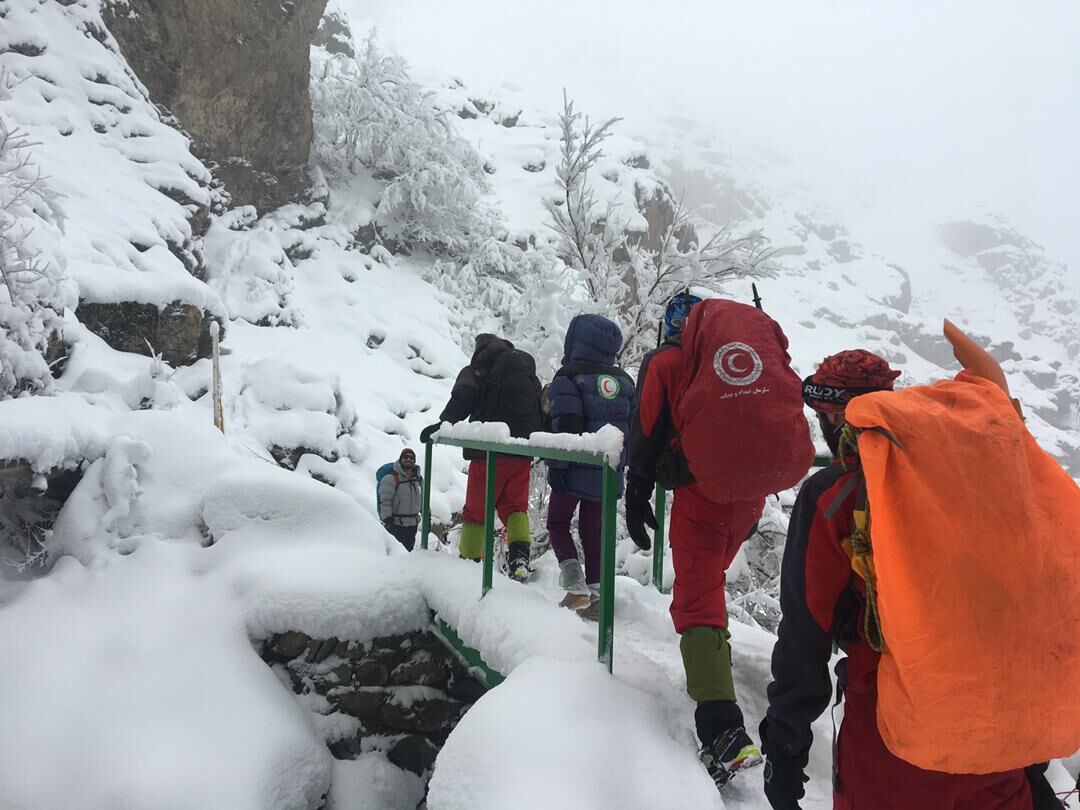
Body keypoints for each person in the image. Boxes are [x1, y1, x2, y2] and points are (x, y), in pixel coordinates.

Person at [759, 349, 1059, 810]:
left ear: (835, 415)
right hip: (996, 726)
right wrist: (1028, 762)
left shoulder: (836, 494)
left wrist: (785, 745)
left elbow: (806, 631)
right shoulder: (969, 479)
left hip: (894, 729)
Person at [625, 292, 813, 790]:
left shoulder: (667, 361)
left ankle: (721, 729)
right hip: (750, 497)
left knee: (697, 597)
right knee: (710, 584)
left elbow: (644, 429)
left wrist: (637, 488)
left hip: (701, 493)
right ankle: (716, 660)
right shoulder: (734, 363)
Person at [420, 333, 543, 581]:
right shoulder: (526, 371)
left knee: (476, 512)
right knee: (514, 508)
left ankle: (470, 565)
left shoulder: (479, 368)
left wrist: (444, 423)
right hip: (521, 452)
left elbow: (464, 396)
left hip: (489, 451)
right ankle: (519, 557)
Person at [544, 314, 635, 620]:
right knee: (592, 532)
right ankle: (595, 598)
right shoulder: (624, 381)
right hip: (609, 470)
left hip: (574, 467)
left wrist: (557, 466)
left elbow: (565, 428)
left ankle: (576, 588)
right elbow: (634, 429)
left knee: (557, 524)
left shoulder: (568, 377)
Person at [378, 448, 423, 551]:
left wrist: (426, 515)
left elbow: (422, 499)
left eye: (411, 458)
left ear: (414, 461)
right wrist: (387, 519)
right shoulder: (391, 478)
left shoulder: (418, 479)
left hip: (412, 525)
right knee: (397, 553)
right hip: (396, 525)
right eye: (405, 457)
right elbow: (385, 500)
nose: (408, 459)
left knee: (408, 552)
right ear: (400, 459)